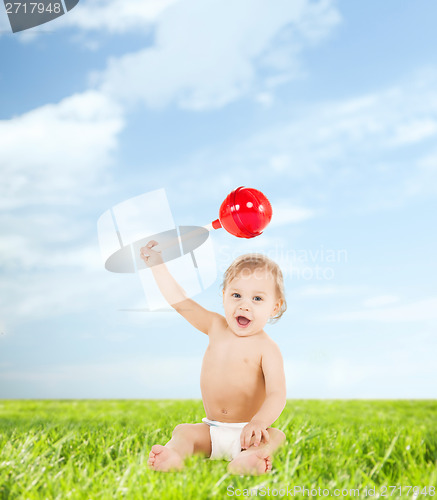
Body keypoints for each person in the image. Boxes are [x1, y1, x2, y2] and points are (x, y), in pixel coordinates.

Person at [140, 242, 287, 475]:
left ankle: (248, 459)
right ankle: (175, 454)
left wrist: (258, 423)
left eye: (257, 299)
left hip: (248, 433)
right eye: (236, 295)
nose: (244, 305)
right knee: (184, 432)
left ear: (275, 307)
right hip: (211, 430)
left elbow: (277, 394)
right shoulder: (215, 326)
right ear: (224, 296)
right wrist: (157, 266)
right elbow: (180, 302)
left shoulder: (267, 348)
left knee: (276, 436)